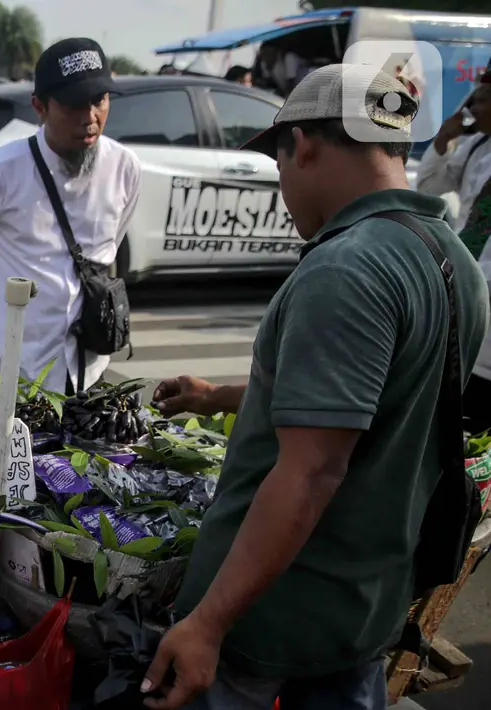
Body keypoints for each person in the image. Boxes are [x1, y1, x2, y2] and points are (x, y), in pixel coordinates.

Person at [142, 65, 490, 710]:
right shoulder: (452, 260)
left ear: (302, 143)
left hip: (273, 615)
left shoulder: (347, 268)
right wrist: (219, 396)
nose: (282, 189)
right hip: (364, 608)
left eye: (279, 165)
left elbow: (311, 471)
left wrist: (209, 623)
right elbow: (363, 403)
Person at [0, 38, 142, 418]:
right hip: (8, 375)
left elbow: (106, 252)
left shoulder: (125, 168)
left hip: (85, 373)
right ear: (39, 107)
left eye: (100, 100)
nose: (90, 117)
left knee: (76, 475)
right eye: (74, 105)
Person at [417, 70, 491, 432]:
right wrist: (445, 138)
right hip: (468, 290)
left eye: (480, 99)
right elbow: (429, 187)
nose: (472, 109)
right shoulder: (477, 148)